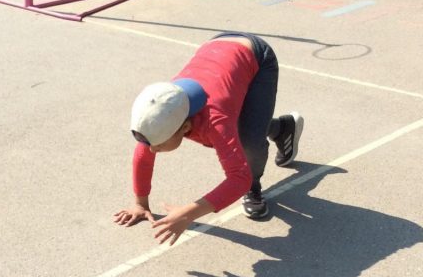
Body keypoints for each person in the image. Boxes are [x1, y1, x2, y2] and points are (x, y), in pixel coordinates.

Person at [113, 32, 304, 246]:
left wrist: (189, 212)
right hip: (217, 49)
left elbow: (239, 178)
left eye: (159, 144)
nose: (152, 150)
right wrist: (140, 203)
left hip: (257, 57)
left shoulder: (215, 121)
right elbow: (143, 158)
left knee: (249, 142)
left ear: (185, 127)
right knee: (242, 127)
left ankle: (255, 187)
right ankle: (282, 129)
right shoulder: (158, 112)